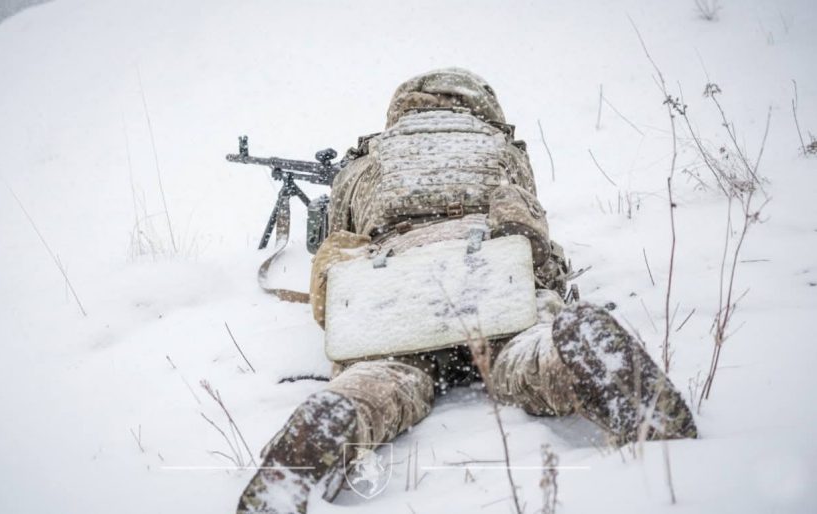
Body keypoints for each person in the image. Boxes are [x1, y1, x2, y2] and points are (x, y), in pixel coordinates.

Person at [237, 68, 697, 513]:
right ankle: (565, 352)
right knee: (522, 355)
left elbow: (336, 244)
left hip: (396, 289)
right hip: (492, 277)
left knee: (386, 378)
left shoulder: (366, 162)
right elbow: (530, 228)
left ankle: (339, 412)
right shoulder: (502, 149)